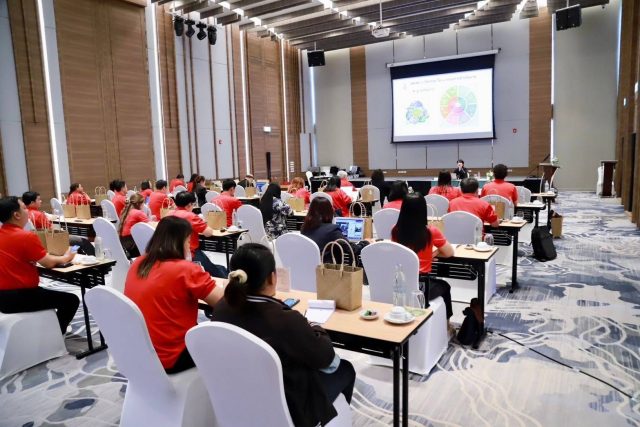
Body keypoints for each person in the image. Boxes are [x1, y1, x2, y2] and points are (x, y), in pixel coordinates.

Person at [211, 244, 356, 427]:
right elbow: (325, 357)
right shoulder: (284, 320)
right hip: (290, 406)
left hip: (240, 397)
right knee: (345, 370)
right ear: (272, 277)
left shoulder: (221, 308)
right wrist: (315, 326)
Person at [124, 216, 224, 373]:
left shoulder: (138, 263)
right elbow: (223, 301)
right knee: (226, 344)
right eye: (188, 241)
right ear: (179, 242)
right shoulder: (185, 270)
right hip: (172, 356)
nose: (190, 246)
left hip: (141, 352)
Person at [0, 196, 79, 335]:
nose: (27, 211)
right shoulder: (25, 236)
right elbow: (48, 263)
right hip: (21, 297)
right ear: (16, 215)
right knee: (71, 300)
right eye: (24, 208)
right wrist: (67, 257)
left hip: (3, 298)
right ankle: (55, 336)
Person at [391, 194, 454, 320]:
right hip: (421, 287)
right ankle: (446, 324)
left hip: (400, 284)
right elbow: (449, 253)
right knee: (445, 286)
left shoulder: (395, 230)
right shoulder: (431, 231)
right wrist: (434, 253)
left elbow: (398, 252)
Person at [169, 191, 227, 278]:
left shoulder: (169, 214)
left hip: (171, 253)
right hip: (190, 253)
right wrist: (205, 224)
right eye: (193, 204)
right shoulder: (190, 216)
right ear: (189, 205)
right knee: (216, 271)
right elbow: (208, 233)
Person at [22, 191, 95, 256]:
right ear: (32, 202)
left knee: (76, 243)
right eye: (38, 199)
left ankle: (75, 253)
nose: (41, 201)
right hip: (52, 240)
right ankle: (96, 260)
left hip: (38, 242)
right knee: (83, 241)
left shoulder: (23, 215)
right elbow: (52, 230)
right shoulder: (38, 215)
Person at [301, 198, 368, 262]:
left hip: (308, 265)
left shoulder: (304, 228)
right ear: (329, 211)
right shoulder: (332, 230)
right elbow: (352, 249)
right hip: (327, 268)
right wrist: (365, 243)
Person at [118, 193, 149, 258]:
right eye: (143, 203)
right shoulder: (138, 213)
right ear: (139, 204)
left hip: (123, 242)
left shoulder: (124, 211)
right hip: (132, 245)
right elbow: (148, 227)